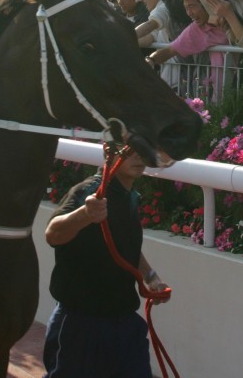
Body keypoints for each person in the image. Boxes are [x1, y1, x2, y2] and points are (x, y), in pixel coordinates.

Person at [43, 149, 169, 378]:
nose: (139, 156)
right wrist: (85, 214)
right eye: (130, 149)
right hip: (81, 325)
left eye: (142, 149)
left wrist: (150, 276)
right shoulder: (89, 190)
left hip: (124, 323)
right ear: (109, 150)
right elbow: (53, 234)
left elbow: (124, 245)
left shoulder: (129, 195)